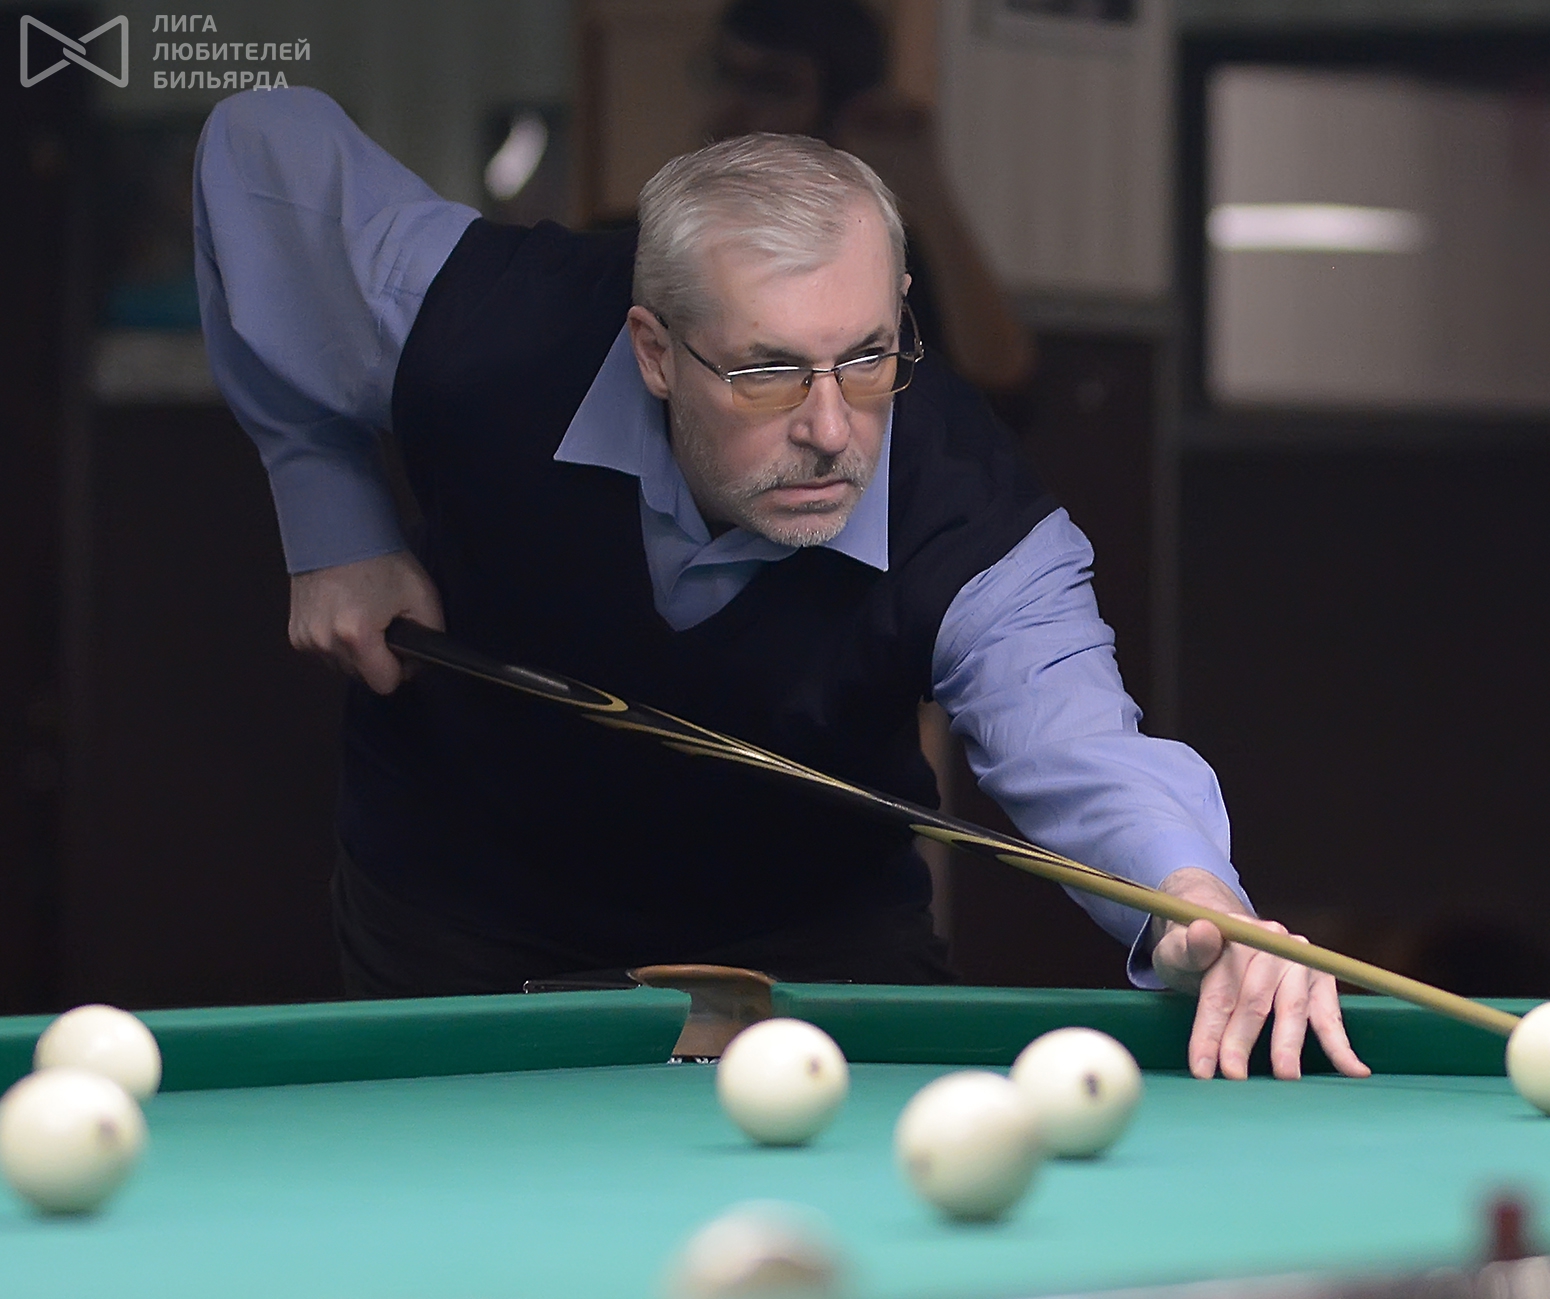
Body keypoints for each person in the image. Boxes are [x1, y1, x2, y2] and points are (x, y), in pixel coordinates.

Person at [192, 86, 1367, 1084]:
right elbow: (260, 144)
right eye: (766, 372)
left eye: (866, 359)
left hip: (813, 937)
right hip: (466, 906)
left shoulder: (970, 519)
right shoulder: (490, 328)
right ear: (655, 352)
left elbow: (1080, 742)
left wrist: (1195, 898)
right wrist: (328, 510)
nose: (830, 431)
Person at [703, 0, 1034, 394]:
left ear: (840, 112)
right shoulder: (663, 238)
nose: (729, 108)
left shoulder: (877, 255)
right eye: (721, 74)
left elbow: (1001, 380)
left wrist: (926, 189)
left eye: (771, 86)